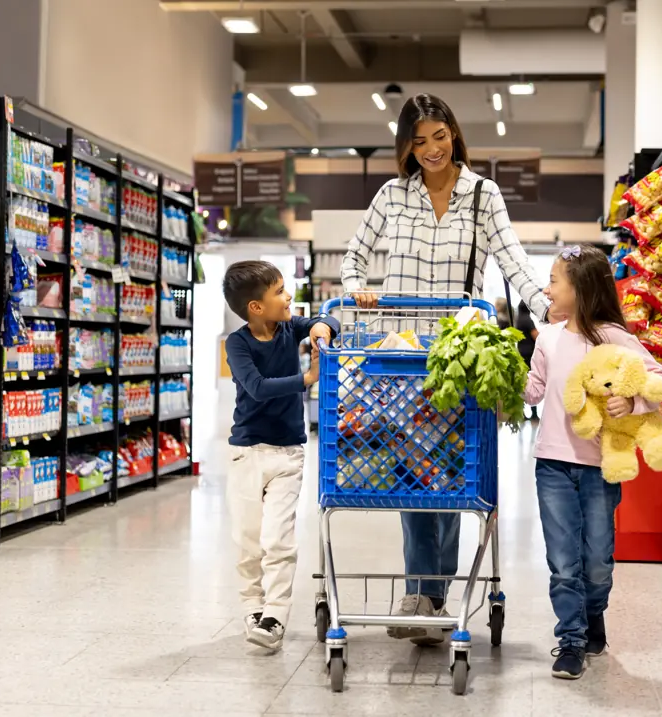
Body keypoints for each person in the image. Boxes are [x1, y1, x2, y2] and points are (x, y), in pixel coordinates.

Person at [341, 93, 550, 645]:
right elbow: (354, 256)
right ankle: (422, 592)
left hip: (459, 356)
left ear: (454, 133)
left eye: (440, 136)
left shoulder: (484, 195)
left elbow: (513, 260)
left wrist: (556, 313)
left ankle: (431, 593)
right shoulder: (392, 196)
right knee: (413, 477)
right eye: (419, 140)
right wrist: (357, 290)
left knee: (451, 478)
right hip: (401, 356)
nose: (432, 149)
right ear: (406, 147)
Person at [523, 246, 662, 680]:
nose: (547, 290)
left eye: (554, 281)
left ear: (581, 289)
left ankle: (594, 610)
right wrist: (504, 383)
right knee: (563, 561)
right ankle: (570, 638)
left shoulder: (615, 338)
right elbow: (535, 389)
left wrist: (633, 398)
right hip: (551, 462)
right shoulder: (546, 337)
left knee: (598, 560)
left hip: (598, 466)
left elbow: (660, 378)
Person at [222, 260, 340, 651]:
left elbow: (328, 320)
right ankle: (252, 606)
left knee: (278, 538)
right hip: (247, 453)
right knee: (248, 540)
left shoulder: (291, 326)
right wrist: (306, 379)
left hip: (288, 453)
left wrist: (324, 326)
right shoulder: (237, 344)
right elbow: (256, 387)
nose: (288, 297)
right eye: (279, 292)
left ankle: (275, 615)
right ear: (256, 306)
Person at [514, 302, 540, 419]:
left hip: (521, 353)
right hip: (530, 354)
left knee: (523, 382)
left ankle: (522, 413)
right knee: (532, 383)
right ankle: (534, 413)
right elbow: (536, 336)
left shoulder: (518, 320)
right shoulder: (528, 320)